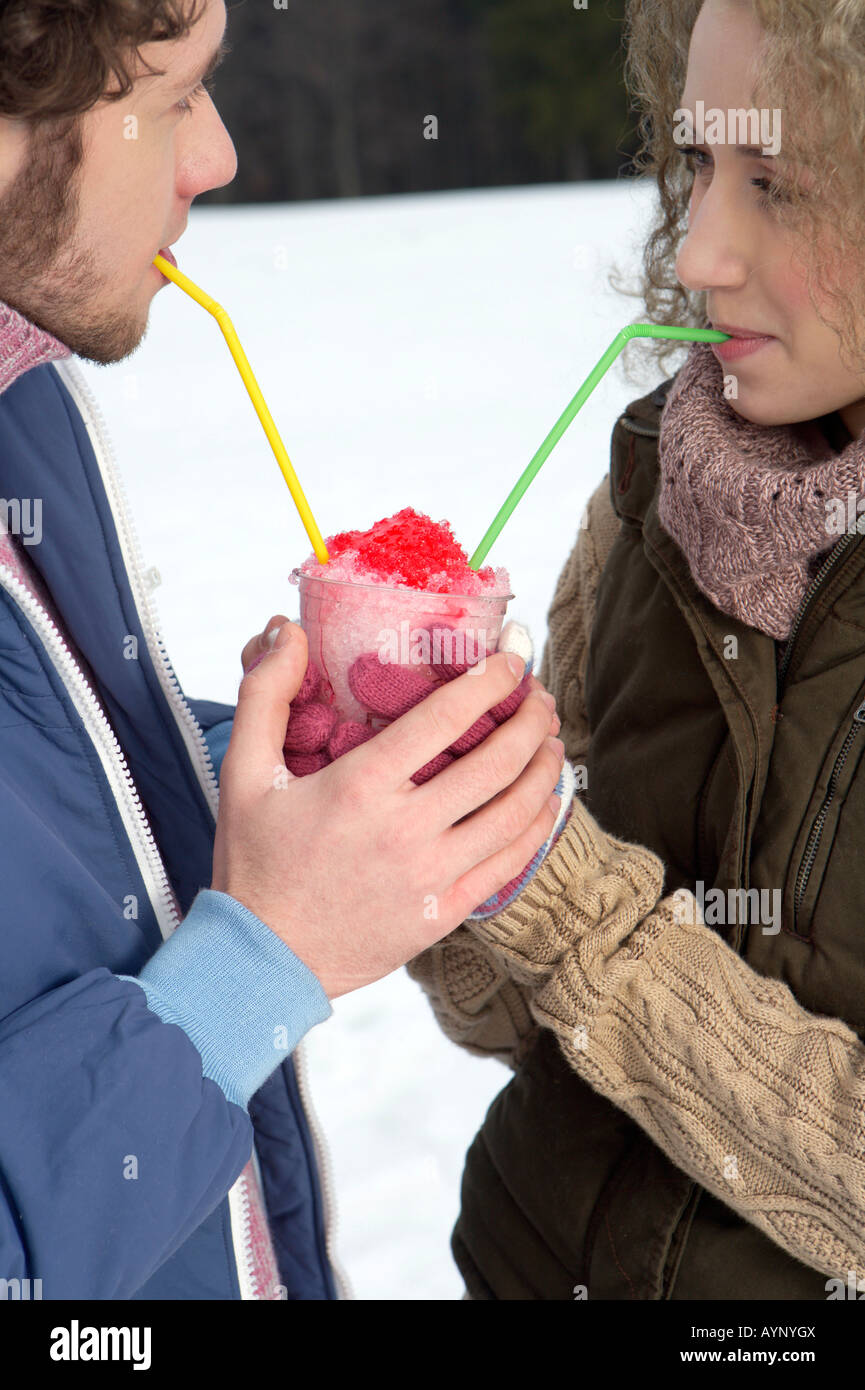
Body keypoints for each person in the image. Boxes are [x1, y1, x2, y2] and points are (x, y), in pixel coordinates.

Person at [0, 0, 567, 1299]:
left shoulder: (21, 393)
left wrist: (313, 784)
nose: (219, 159)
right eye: (175, 93)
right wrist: (255, 971)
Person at [408, 0, 865, 1300]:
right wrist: (440, 826)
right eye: (695, 165)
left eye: (775, 183)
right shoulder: (650, 497)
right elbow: (521, 1023)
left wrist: (572, 912)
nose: (701, 250)